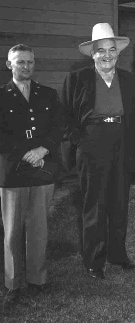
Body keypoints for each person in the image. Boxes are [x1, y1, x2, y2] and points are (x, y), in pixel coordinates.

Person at [61, 23, 135, 280]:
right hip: (92, 142)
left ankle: (118, 255)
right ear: (92, 54)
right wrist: (79, 141)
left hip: (122, 141)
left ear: (117, 53)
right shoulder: (77, 79)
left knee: (120, 200)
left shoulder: (130, 80)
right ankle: (94, 260)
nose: (107, 55)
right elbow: (64, 115)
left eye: (112, 50)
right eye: (101, 51)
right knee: (94, 203)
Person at [0, 44, 63, 309]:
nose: (25, 66)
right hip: (14, 170)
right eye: (19, 62)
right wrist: (25, 153)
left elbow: (58, 126)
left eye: (29, 62)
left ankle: (38, 279)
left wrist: (42, 149)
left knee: (39, 227)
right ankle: (13, 283)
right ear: (9, 65)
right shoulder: (2, 96)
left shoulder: (47, 94)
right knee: (12, 230)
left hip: (42, 168)